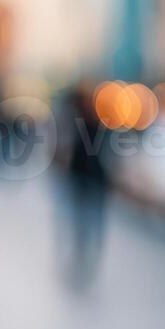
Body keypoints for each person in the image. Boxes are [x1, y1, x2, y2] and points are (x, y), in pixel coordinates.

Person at [60, 82, 108, 288]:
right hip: (80, 177)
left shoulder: (101, 125)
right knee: (81, 218)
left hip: (95, 179)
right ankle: (81, 251)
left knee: (92, 219)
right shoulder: (76, 122)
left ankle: (90, 253)